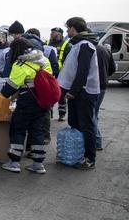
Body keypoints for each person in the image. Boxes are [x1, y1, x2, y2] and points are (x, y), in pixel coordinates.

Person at [0, 38, 53, 174]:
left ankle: (14, 162)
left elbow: (10, 88)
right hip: (42, 100)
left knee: (18, 129)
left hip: (27, 101)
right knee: (37, 131)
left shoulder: (20, 64)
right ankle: (38, 164)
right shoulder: (44, 60)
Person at [58, 17, 100, 170]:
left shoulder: (85, 45)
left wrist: (73, 91)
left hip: (84, 92)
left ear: (74, 28)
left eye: (68, 28)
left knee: (86, 125)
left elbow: (83, 71)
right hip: (77, 91)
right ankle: (78, 154)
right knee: (74, 123)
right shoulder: (77, 44)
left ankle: (89, 158)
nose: (67, 31)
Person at [92, 34, 116, 151]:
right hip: (103, 86)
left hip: (93, 87)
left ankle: (97, 141)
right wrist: (105, 77)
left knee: (91, 114)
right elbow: (113, 68)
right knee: (94, 114)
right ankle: (96, 141)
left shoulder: (90, 50)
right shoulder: (105, 50)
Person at [48, 27, 72, 121]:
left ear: (60, 34)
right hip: (49, 73)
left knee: (61, 94)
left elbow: (69, 61)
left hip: (61, 74)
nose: (52, 34)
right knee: (49, 93)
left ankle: (62, 113)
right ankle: (49, 112)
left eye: (54, 32)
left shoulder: (66, 45)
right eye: (51, 32)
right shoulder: (47, 43)